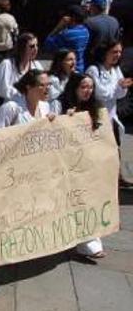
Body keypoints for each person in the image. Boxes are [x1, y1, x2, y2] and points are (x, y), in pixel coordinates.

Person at [59, 72, 108, 259]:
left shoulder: (96, 109)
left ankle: (90, 243)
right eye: (83, 87)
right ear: (75, 89)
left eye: (90, 87)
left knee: (87, 202)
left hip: (89, 165)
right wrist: (66, 118)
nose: (88, 91)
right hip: (68, 165)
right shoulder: (63, 105)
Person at [86, 41, 132, 152]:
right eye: (114, 52)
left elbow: (121, 95)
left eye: (120, 52)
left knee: (114, 153)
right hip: (96, 118)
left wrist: (122, 87)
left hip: (112, 118)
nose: (118, 55)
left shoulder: (115, 70)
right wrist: (117, 87)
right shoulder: (94, 70)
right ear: (104, 53)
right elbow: (100, 93)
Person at [0, 33, 44, 102]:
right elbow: (2, 89)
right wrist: (25, 93)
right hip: (12, 106)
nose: (36, 49)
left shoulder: (36, 65)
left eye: (36, 45)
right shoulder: (7, 65)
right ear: (22, 48)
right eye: (32, 46)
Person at [44, 5, 89, 73]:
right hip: (80, 67)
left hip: (67, 69)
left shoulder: (66, 34)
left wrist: (59, 26)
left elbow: (48, 44)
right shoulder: (85, 31)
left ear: (72, 17)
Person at [83, 0, 120, 67]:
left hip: (93, 59)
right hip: (109, 59)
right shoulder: (114, 20)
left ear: (94, 7)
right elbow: (117, 41)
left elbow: (85, 43)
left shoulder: (89, 22)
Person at [47, 49, 77, 114]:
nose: (74, 62)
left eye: (74, 59)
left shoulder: (77, 76)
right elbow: (54, 97)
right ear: (61, 62)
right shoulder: (53, 79)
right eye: (70, 60)